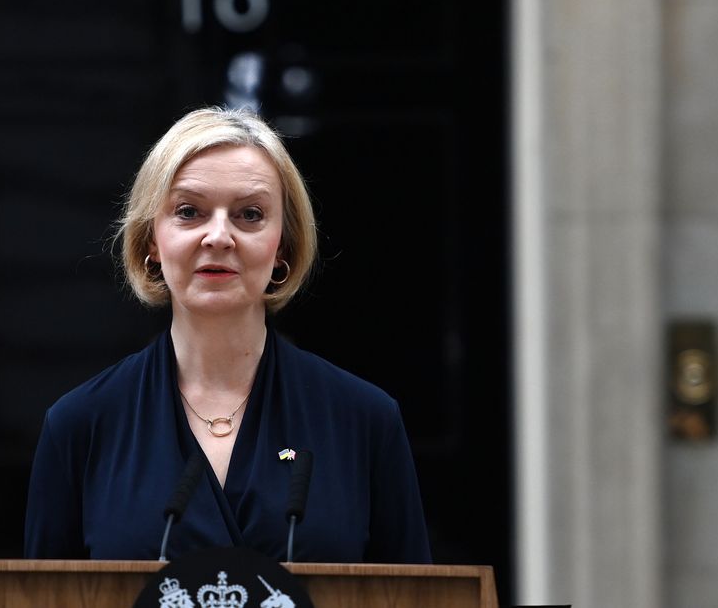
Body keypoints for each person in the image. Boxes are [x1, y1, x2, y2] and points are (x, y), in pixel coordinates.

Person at [24, 107, 431, 563]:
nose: (218, 236)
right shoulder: (81, 425)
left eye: (250, 214)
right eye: (188, 212)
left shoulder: (365, 420)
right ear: (152, 242)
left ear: (284, 246)